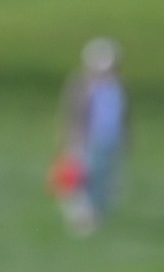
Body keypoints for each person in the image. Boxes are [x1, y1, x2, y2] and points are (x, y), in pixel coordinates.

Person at [55, 37, 129, 236]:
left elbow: (123, 116)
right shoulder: (81, 85)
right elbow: (72, 114)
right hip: (86, 139)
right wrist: (70, 139)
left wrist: (125, 138)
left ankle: (98, 216)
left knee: (105, 180)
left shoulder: (119, 87)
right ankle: (82, 219)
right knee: (83, 179)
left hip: (110, 140)